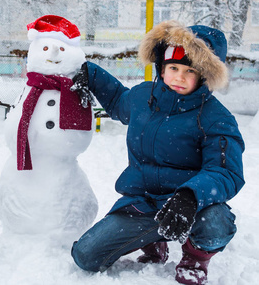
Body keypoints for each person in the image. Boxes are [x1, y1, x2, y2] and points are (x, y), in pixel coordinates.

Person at [70, 20, 244, 285]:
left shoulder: (216, 118)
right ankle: (154, 240)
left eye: (190, 71)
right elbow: (118, 101)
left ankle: (195, 257)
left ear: (205, 75)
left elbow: (225, 171)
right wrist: (88, 73)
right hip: (144, 203)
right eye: (173, 67)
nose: (179, 77)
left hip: (191, 206)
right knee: (86, 256)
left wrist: (190, 195)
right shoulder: (143, 98)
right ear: (161, 68)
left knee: (217, 223)